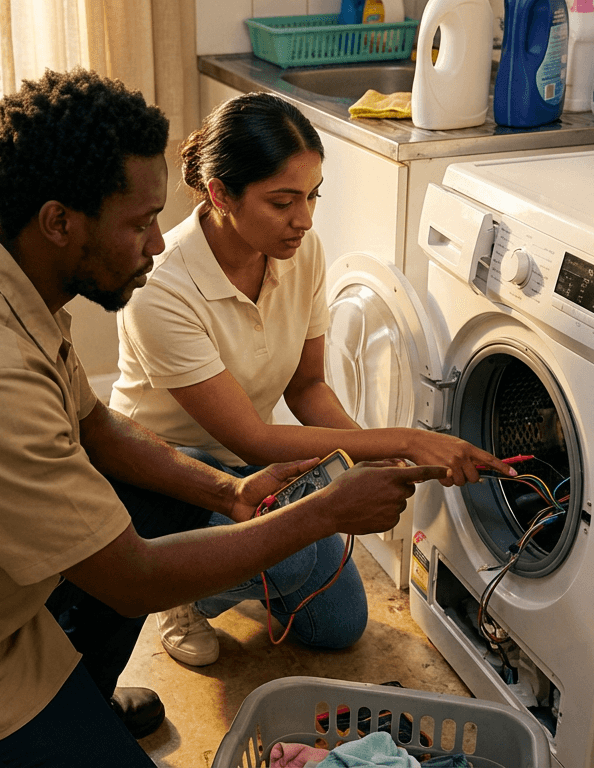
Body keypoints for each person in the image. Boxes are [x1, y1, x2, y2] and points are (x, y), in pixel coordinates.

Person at [0, 69, 449, 768]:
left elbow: (97, 429)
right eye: (138, 224)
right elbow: (131, 576)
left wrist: (226, 492)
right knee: (150, 554)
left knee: (158, 499)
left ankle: (76, 692)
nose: (157, 243)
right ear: (59, 221)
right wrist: (324, 512)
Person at [109, 92, 515, 668]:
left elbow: (306, 388)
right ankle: (186, 596)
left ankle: (238, 570)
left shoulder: (301, 252)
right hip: (170, 476)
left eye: (312, 196)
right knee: (294, 562)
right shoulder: (163, 287)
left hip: (253, 468)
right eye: (282, 201)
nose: (303, 219)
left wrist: (369, 456)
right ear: (221, 195)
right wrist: (402, 439)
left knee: (339, 623)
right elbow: (252, 436)